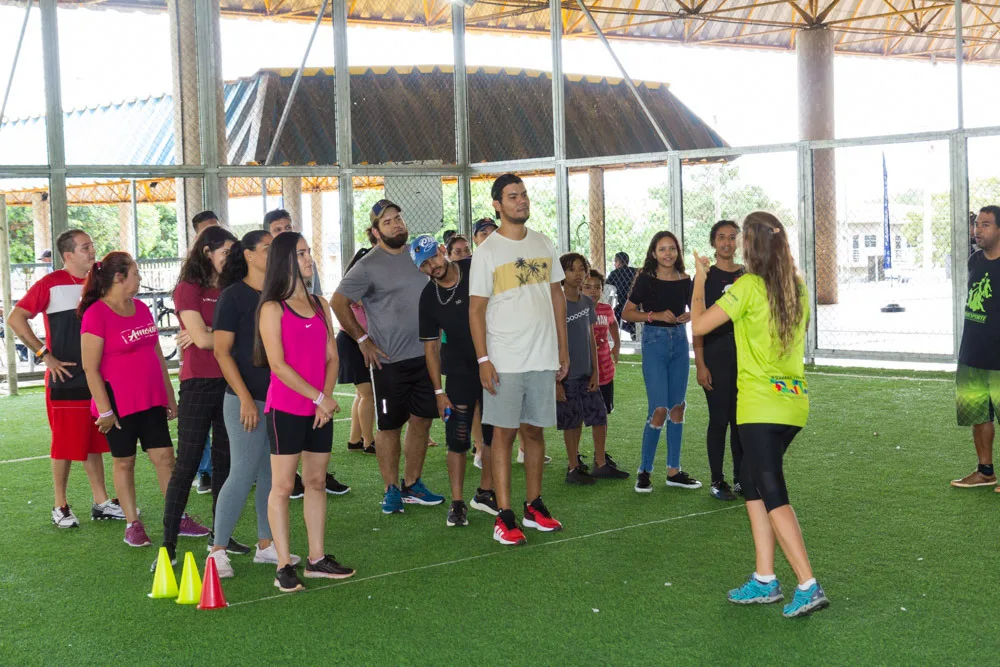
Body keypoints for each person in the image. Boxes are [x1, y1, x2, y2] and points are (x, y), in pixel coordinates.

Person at [691, 211, 828, 619]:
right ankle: (765, 579)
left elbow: (698, 324)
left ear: (749, 246)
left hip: (758, 407)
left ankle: (808, 583)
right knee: (751, 482)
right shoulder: (797, 286)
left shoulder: (746, 287)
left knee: (771, 491)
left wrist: (700, 279)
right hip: (793, 404)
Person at [470, 173, 567, 545]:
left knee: (535, 432)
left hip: (542, 357)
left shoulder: (543, 242)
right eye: (513, 197)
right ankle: (504, 514)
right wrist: (483, 359)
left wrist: (562, 348)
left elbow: (557, 296)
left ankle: (533, 507)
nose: (521, 201)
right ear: (497, 204)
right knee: (504, 436)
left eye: (524, 195)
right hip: (504, 360)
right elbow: (476, 310)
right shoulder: (487, 251)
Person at [257, 231, 355, 592]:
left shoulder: (320, 304)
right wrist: (318, 398)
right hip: (286, 408)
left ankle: (316, 558)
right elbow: (278, 366)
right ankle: (284, 564)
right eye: (301, 254)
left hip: (318, 409)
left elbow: (332, 356)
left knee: (316, 481)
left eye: (309, 252)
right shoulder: (271, 308)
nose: (309, 258)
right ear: (284, 261)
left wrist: (325, 400)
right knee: (282, 486)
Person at [332, 199, 444, 514]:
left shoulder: (418, 255)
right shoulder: (367, 265)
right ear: (376, 231)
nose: (396, 224)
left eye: (398, 218)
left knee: (422, 420)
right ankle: (391, 489)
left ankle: (412, 485)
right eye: (388, 221)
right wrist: (363, 339)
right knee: (390, 427)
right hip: (389, 362)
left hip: (426, 356)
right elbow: (338, 302)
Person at [8, 230, 123, 527]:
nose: (92, 251)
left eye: (92, 245)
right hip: (66, 379)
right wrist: (44, 354)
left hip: (97, 376)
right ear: (68, 255)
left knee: (95, 440)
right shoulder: (49, 283)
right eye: (86, 247)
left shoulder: (99, 280)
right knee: (65, 445)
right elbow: (15, 318)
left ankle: (101, 502)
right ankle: (60, 505)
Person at [207, 230, 300, 577]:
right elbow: (221, 352)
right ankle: (217, 549)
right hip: (245, 399)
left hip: (279, 398)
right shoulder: (232, 297)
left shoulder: (281, 294)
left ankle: (266, 544)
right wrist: (245, 398)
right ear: (248, 254)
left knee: (270, 475)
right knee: (243, 471)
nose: (273, 255)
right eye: (266, 249)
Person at [78, 252, 177, 548]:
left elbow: (157, 353)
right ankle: (133, 523)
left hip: (150, 398)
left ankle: (176, 516)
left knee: (166, 459)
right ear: (119, 278)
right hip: (118, 405)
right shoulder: (96, 314)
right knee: (125, 462)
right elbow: (90, 367)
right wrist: (105, 410)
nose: (140, 278)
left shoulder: (142, 308)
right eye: (136, 273)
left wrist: (169, 393)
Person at [157, 226, 238, 567]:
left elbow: (213, 337)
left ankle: (220, 540)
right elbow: (204, 343)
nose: (232, 258)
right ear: (208, 252)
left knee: (225, 464)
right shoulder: (188, 289)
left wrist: (206, 332)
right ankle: (168, 546)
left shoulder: (234, 288)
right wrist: (202, 334)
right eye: (226, 252)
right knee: (187, 464)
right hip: (198, 385)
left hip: (232, 382)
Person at [414, 235, 499, 527]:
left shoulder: (474, 267)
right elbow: (430, 347)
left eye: (433, 258)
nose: (432, 266)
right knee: (457, 439)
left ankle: (486, 492)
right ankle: (458, 502)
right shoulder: (428, 297)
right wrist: (439, 391)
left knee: (493, 434)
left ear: (442, 251)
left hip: (493, 363)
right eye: (424, 264)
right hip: (459, 372)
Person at [622, 231, 700, 493]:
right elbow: (627, 312)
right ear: (654, 253)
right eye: (663, 249)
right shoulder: (646, 279)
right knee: (659, 409)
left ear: (678, 252)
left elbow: (696, 307)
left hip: (679, 342)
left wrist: (691, 315)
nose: (668, 253)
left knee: (678, 407)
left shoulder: (685, 279)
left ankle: (673, 471)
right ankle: (644, 471)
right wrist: (654, 316)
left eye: (672, 249)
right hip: (654, 342)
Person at [557, 253, 628, 483]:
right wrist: (555, 380)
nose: (578, 274)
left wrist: (596, 371)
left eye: (581, 269)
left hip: (588, 373)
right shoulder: (555, 302)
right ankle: (573, 467)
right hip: (566, 375)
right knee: (572, 420)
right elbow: (551, 340)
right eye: (572, 269)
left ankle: (600, 463)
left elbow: (590, 339)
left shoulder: (587, 303)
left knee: (599, 416)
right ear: (561, 274)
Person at [693, 220, 745, 502]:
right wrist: (701, 364)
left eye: (732, 237)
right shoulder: (705, 276)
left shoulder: (748, 276)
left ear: (738, 242)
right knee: (719, 419)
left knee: (742, 420)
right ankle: (717, 480)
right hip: (715, 355)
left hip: (744, 358)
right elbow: (698, 325)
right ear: (713, 242)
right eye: (721, 237)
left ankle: (741, 477)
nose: (727, 242)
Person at [951, 205, 1000, 490]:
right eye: (977, 225)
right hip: (972, 354)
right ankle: (985, 471)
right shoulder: (974, 261)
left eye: (985, 225)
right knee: (978, 415)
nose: (977, 230)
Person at [582, 267, 625, 477]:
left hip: (605, 371)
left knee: (602, 414)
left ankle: (600, 454)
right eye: (587, 286)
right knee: (581, 415)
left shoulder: (606, 309)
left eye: (596, 287)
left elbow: (614, 325)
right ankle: (576, 456)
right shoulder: (574, 310)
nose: (592, 291)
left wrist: (616, 345)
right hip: (583, 372)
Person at [191, 209, 222, 496]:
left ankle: (223, 471)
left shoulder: (233, 281)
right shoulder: (190, 282)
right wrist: (201, 332)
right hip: (199, 373)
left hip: (230, 369)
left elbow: (246, 331)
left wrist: (205, 331)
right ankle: (205, 473)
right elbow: (198, 338)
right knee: (198, 435)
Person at [336, 246, 376, 456]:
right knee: (367, 393)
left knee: (362, 394)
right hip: (352, 341)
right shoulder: (355, 286)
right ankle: (369, 441)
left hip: (357, 341)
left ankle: (355, 439)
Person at [265, 208, 324, 298]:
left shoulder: (307, 262)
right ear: (267, 235)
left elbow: (316, 294)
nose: (284, 233)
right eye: (278, 230)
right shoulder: (264, 264)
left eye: (288, 228)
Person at [607, 251, 637, 335]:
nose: (614, 264)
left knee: (614, 317)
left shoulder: (615, 273)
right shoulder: (635, 271)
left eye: (615, 262)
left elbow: (606, 286)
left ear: (618, 262)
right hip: (635, 303)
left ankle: (629, 329)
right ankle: (633, 330)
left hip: (622, 303)